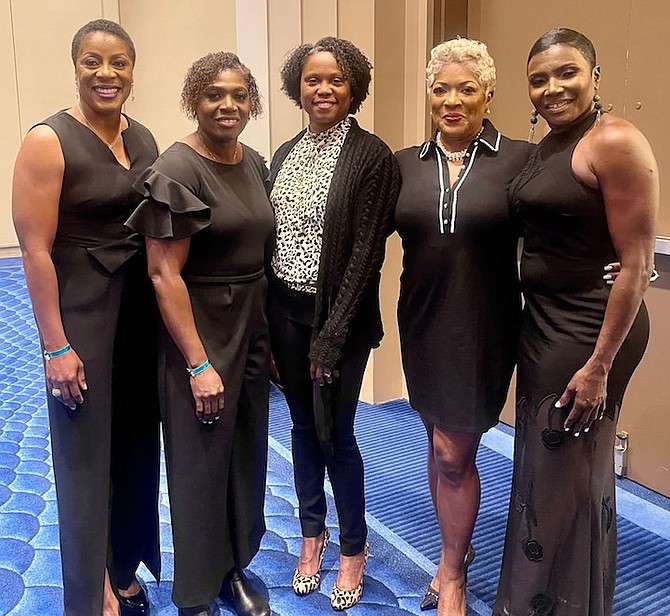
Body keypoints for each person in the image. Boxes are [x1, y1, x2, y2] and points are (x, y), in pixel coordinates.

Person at [493, 28, 657, 616]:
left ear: (595, 76)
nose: (552, 88)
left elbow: (637, 264)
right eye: (539, 79)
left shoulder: (614, 140)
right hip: (545, 321)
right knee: (551, 469)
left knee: (562, 469)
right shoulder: (551, 144)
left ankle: (562, 604)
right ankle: (548, 597)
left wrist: (599, 367)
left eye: (567, 74)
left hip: (590, 331)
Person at [11, 19, 160, 616]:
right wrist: (54, 346)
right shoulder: (47, 141)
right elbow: (35, 250)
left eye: (119, 62)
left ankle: (122, 563)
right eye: (93, 62)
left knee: (131, 447)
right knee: (83, 457)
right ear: (75, 67)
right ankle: (90, 587)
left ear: (132, 69)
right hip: (82, 316)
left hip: (138, 318)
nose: (107, 74)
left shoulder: (144, 137)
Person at [126, 52, 272, 616]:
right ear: (195, 99)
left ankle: (231, 568)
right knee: (199, 459)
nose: (227, 105)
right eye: (214, 94)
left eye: (238, 95)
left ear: (251, 102)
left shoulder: (254, 162)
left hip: (251, 323)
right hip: (201, 325)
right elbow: (164, 275)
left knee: (243, 452)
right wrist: (196, 362)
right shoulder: (177, 168)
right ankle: (193, 591)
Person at [394, 39, 534, 616]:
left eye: (466, 89)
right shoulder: (404, 164)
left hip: (481, 327)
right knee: (436, 438)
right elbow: (359, 240)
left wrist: (611, 266)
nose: (451, 101)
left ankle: (451, 572)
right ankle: (458, 547)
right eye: (440, 89)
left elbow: (566, 221)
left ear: (489, 95)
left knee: (454, 453)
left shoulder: (522, 159)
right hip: (420, 323)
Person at [267, 37, 400, 611]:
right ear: (298, 86)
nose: (323, 90)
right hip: (285, 316)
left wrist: (331, 335)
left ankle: (353, 547)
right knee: (300, 428)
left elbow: (367, 255)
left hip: (338, 323)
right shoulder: (285, 152)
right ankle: (310, 537)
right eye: (313, 80)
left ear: (355, 89)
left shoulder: (373, 157)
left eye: (336, 81)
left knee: (336, 434)